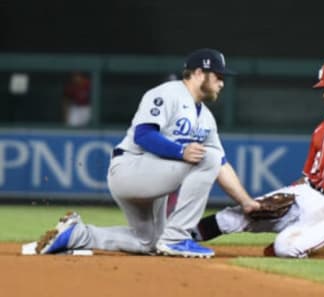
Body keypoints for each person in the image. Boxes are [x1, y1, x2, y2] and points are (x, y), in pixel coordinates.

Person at [35, 48, 260, 258]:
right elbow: (144, 135)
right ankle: (178, 237)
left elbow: (221, 164)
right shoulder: (168, 93)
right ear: (199, 73)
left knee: (149, 243)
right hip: (131, 169)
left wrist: (246, 202)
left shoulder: (207, 118)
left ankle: (76, 234)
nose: (222, 83)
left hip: (155, 178)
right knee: (206, 157)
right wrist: (181, 151)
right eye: (218, 76)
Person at [191, 58, 324, 258]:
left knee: (286, 247)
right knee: (237, 216)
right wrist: (287, 194)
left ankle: (293, 245)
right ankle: (179, 237)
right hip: (306, 193)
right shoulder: (323, 127)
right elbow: (307, 176)